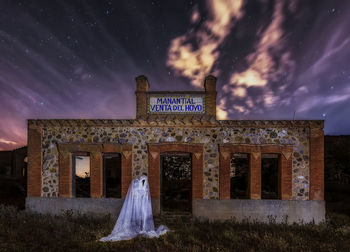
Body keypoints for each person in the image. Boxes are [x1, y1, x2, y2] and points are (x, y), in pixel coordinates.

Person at [100, 175, 169, 241]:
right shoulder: (135, 183)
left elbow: (147, 196)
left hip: (144, 204)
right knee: (136, 217)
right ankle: (137, 227)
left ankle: (143, 228)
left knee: (144, 217)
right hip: (136, 204)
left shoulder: (146, 185)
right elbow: (133, 196)